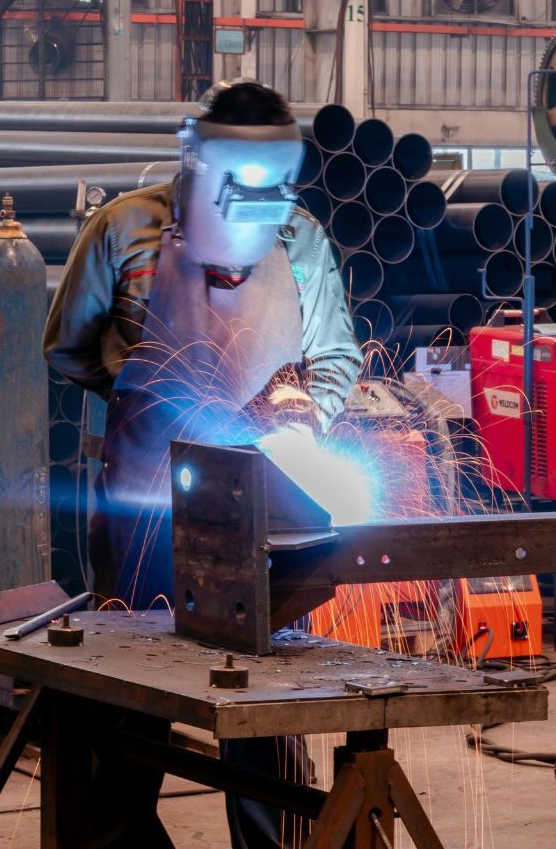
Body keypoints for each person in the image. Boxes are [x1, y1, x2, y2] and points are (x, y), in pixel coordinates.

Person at [44, 80, 363, 846]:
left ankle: (275, 843)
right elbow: (67, 350)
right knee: (133, 688)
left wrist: (303, 413)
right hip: (146, 503)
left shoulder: (302, 238)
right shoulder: (123, 229)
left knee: (268, 699)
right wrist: (146, 394)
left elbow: (339, 357)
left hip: (264, 509)